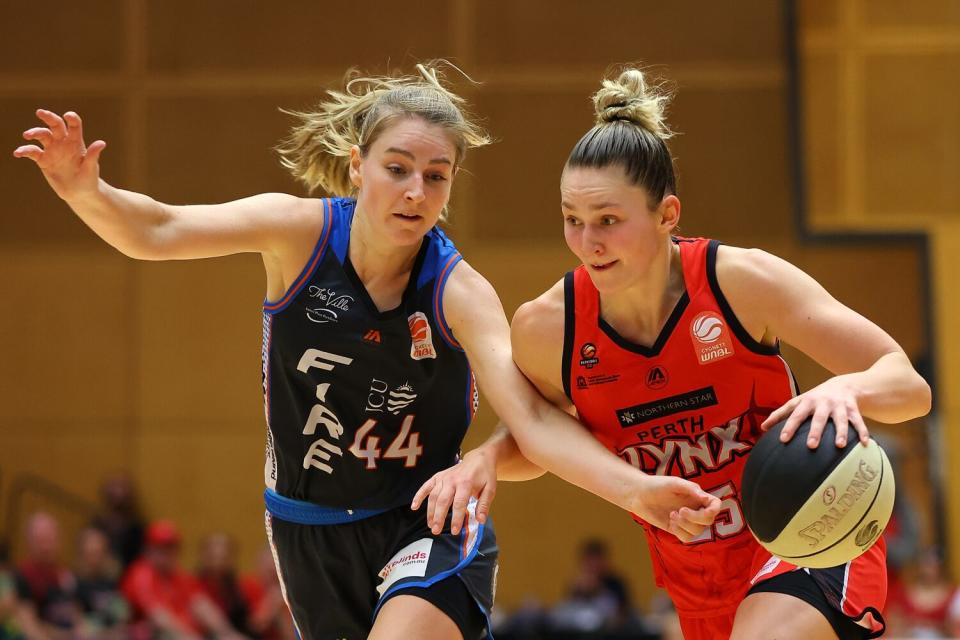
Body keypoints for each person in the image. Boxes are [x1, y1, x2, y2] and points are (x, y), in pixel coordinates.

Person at [14, 62, 720, 640]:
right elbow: (160, 230)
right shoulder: (296, 234)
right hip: (306, 531)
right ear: (357, 166)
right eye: (398, 167)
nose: (416, 191)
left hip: (426, 522)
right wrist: (88, 192)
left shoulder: (457, 291)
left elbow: (532, 424)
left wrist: (638, 492)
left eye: (436, 176)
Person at [505, 66, 931, 639]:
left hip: (810, 535)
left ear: (667, 215)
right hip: (700, 584)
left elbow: (909, 387)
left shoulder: (741, 283)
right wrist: (481, 463)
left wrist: (845, 386)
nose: (589, 242)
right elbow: (537, 438)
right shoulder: (547, 328)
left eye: (608, 220)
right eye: (572, 221)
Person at [121, 520, 245, 640]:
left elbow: (202, 606)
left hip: (188, 634)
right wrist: (190, 637)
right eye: (161, 548)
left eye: (171, 547)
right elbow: (158, 616)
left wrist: (228, 633)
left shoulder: (179, 576)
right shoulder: (141, 574)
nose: (168, 553)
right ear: (148, 549)